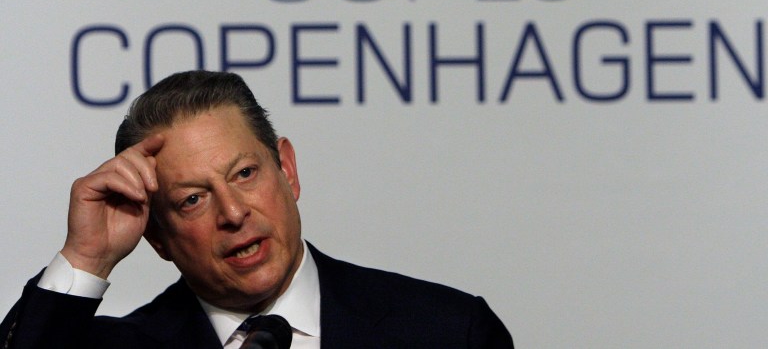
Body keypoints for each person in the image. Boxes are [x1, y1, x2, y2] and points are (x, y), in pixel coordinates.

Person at [0, 70, 514, 348]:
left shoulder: (448, 332)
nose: (233, 212)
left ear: (287, 169)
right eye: (192, 200)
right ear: (158, 237)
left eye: (245, 174)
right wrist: (87, 257)